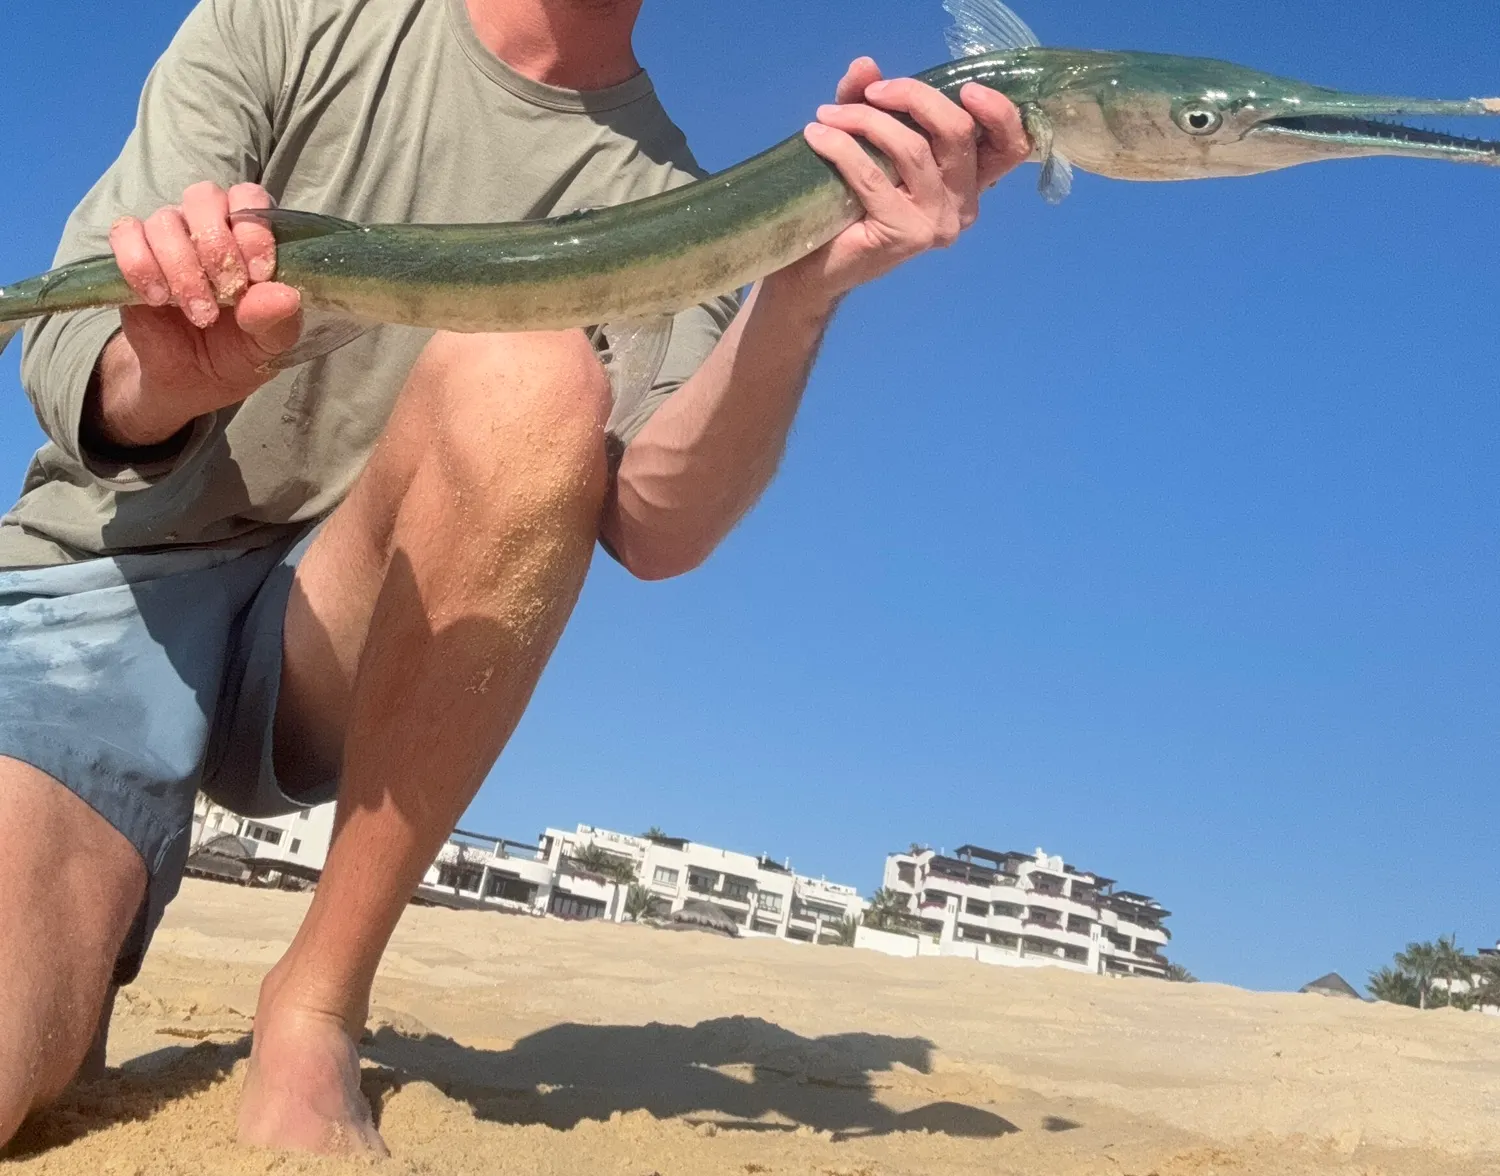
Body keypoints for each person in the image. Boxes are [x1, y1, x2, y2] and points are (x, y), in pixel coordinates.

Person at [0, 0, 1027, 1156]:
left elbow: (655, 524)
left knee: (531, 380)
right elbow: (66, 357)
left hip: (344, 629)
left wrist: (798, 292)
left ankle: (316, 1004)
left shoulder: (675, 195)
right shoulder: (287, 19)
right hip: (107, 581)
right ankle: (73, 929)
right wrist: (177, 372)